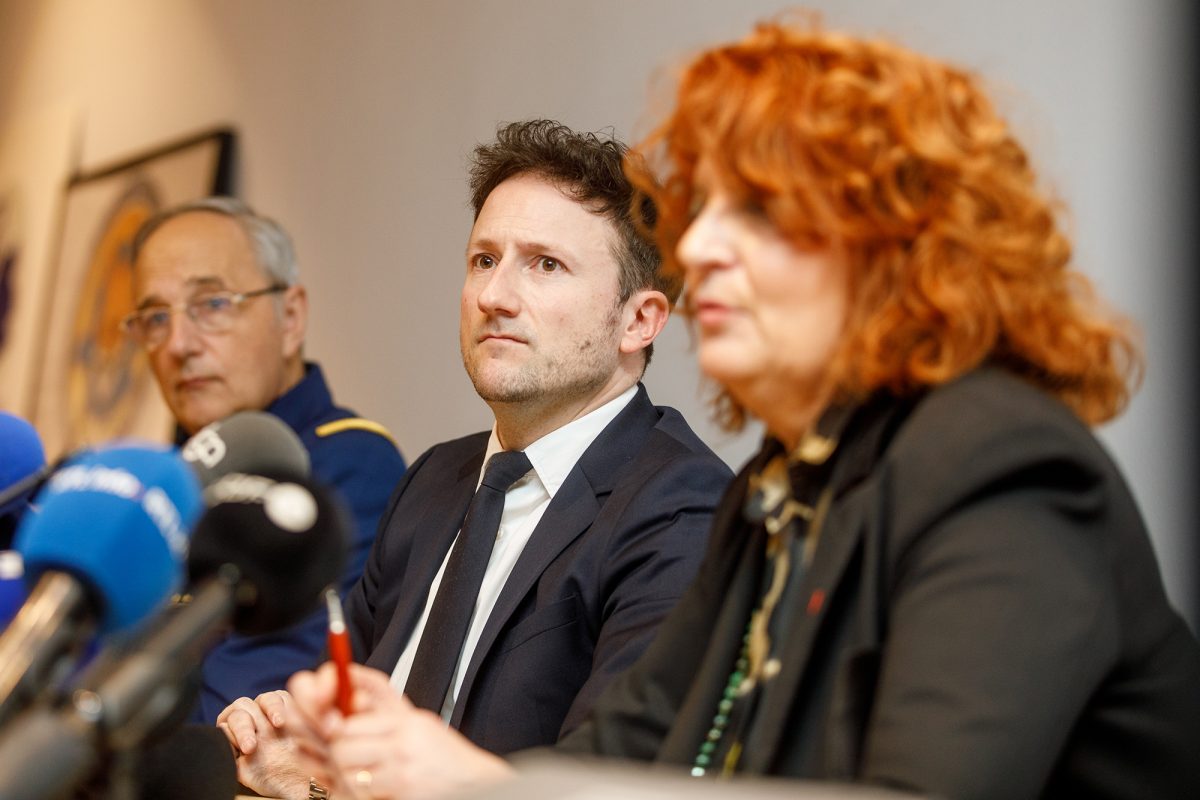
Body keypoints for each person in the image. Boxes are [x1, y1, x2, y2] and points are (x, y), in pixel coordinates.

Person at [281, 21, 1200, 800]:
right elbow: (640, 747)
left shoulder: (1004, 465)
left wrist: (472, 788)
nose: (702, 244)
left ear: (896, 249)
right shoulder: (781, 483)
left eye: (759, 212)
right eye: (708, 208)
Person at [218, 120, 732, 799]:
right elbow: (343, 739)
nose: (494, 296)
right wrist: (305, 766)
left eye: (545, 265)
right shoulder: (433, 479)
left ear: (639, 321)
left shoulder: (683, 504)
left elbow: (615, 780)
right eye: (484, 260)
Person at [124, 197, 407, 723]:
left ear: (291, 317)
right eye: (155, 317)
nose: (179, 344)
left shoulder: (349, 464)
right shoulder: (155, 478)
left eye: (212, 304)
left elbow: (250, 704)